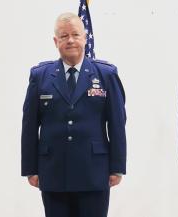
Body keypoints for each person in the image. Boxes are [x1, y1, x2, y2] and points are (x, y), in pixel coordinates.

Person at [21, 12, 126, 217]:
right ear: (55, 41)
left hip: (94, 172)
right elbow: (29, 126)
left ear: (85, 38)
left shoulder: (106, 74)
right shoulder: (40, 76)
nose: (70, 40)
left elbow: (117, 123)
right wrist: (30, 168)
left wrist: (117, 167)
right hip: (53, 172)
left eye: (75, 34)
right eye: (63, 36)